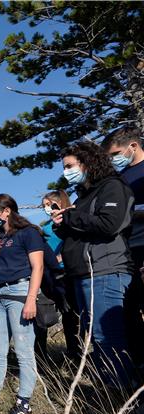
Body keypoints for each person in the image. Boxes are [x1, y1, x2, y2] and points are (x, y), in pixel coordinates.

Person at [53, 141, 136, 388]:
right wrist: (63, 225)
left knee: (107, 337)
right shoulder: (84, 196)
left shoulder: (112, 188)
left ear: (88, 163)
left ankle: (121, 393)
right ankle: (110, 388)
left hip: (105, 269)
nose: (66, 171)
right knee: (97, 338)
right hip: (83, 273)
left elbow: (109, 224)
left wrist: (70, 215)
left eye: (70, 165)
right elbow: (83, 229)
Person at [0, 195, 44, 414]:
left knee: (23, 350)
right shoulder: (1, 238)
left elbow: (38, 266)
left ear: (6, 211)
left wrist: (31, 298)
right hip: (0, 296)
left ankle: (24, 402)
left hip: (20, 294)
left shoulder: (29, 233)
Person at [103, 127, 144, 368]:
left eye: (116, 153)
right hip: (126, 252)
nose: (113, 159)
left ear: (133, 146)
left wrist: (134, 212)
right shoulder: (121, 178)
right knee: (127, 311)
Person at [39, 191, 81, 361]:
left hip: (71, 271)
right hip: (54, 277)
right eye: (43, 206)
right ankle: (74, 353)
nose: (46, 209)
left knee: (78, 312)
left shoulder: (70, 219)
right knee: (68, 315)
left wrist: (62, 257)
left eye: (48, 205)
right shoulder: (45, 227)